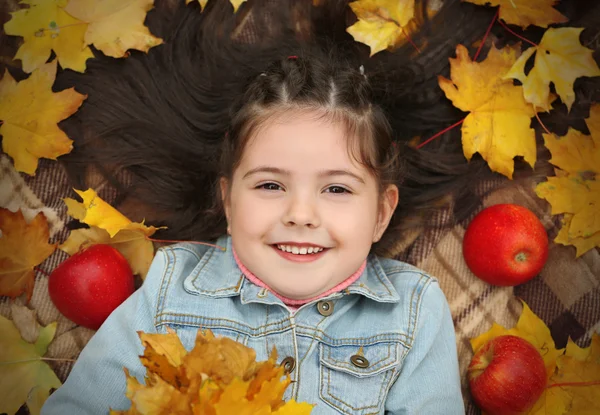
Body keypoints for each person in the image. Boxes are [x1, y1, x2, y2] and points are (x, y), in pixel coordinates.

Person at [40, 0, 500, 413]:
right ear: (227, 198)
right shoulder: (171, 290)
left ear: (381, 213)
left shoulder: (413, 311)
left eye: (336, 189)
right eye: (270, 185)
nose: (301, 214)